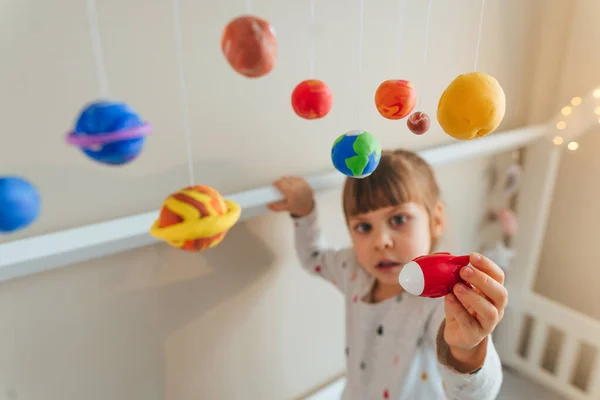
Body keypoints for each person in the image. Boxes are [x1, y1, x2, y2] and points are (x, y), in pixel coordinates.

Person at [267, 149, 506, 400]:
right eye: (363, 226)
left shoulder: (445, 302)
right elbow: (313, 257)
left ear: (436, 220)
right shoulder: (353, 270)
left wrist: (466, 352)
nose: (381, 241)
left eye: (399, 219)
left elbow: (477, 395)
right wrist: (305, 213)